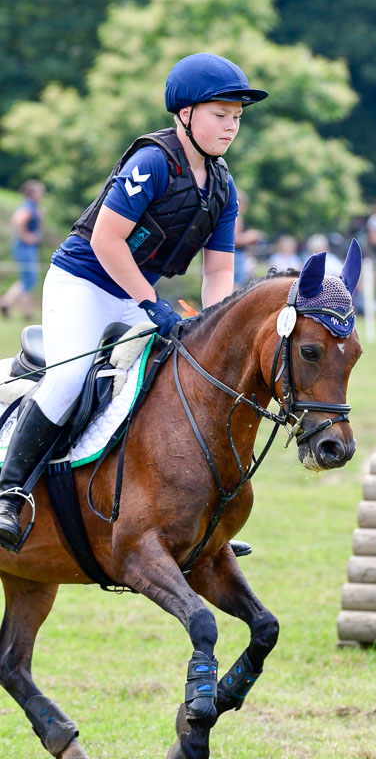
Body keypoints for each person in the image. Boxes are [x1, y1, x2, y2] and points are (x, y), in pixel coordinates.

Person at [0, 52, 268, 548]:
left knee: (181, 379)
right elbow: (106, 241)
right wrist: (151, 303)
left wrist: (215, 324)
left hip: (134, 291)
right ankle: (10, 491)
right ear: (185, 114)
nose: (231, 126)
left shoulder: (222, 186)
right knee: (68, 378)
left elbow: (218, 269)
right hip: (84, 282)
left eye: (237, 117)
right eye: (220, 114)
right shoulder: (152, 162)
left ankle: (192, 511)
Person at [1, 179, 46, 320]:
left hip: (28, 248)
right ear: (33, 193)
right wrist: (26, 236)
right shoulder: (28, 206)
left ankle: (6, 303)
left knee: (28, 279)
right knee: (29, 280)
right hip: (25, 248)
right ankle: (26, 312)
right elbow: (18, 220)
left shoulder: (33, 206)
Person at [233, 190, 264, 288]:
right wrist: (251, 236)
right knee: (235, 287)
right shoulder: (236, 217)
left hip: (234, 255)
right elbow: (235, 240)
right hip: (235, 255)